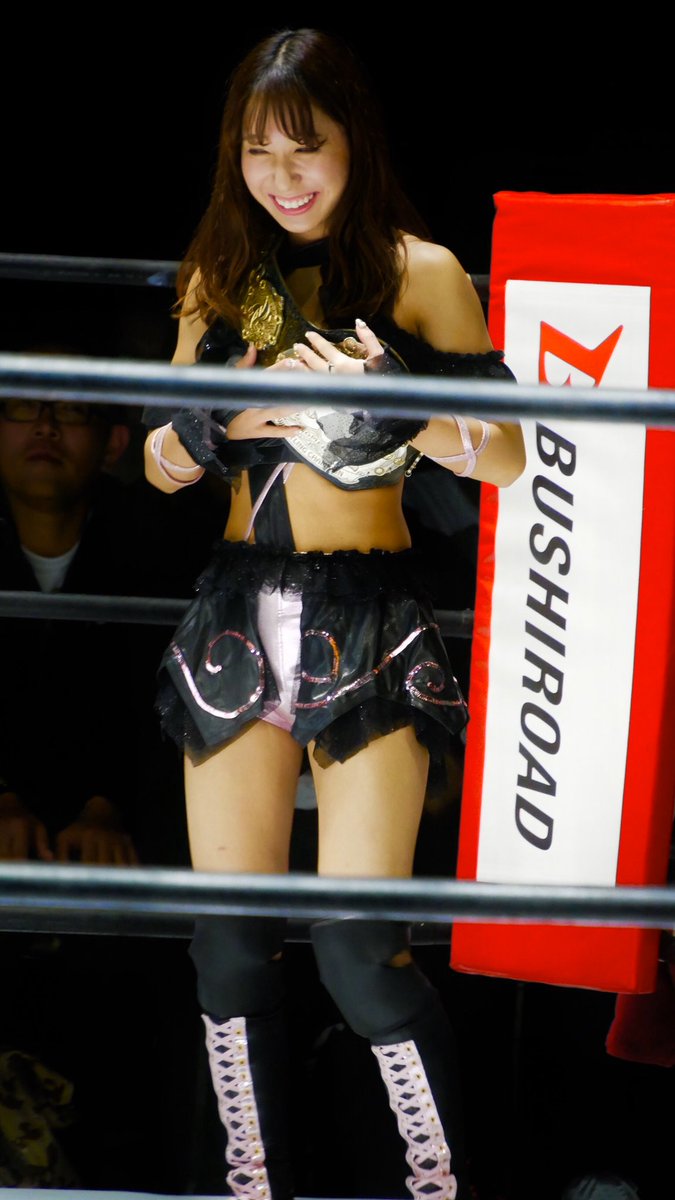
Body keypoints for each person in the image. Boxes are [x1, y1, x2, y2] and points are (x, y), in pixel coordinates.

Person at [143, 27, 525, 1200]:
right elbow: (155, 462)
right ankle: (248, 1188)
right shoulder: (219, 276)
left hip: (367, 618)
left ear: (355, 141)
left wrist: (396, 406)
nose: (285, 176)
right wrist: (218, 423)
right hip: (233, 613)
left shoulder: (421, 273)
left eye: (305, 147)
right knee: (228, 945)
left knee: (360, 949)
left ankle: (442, 1187)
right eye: (260, 151)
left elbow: (505, 457)